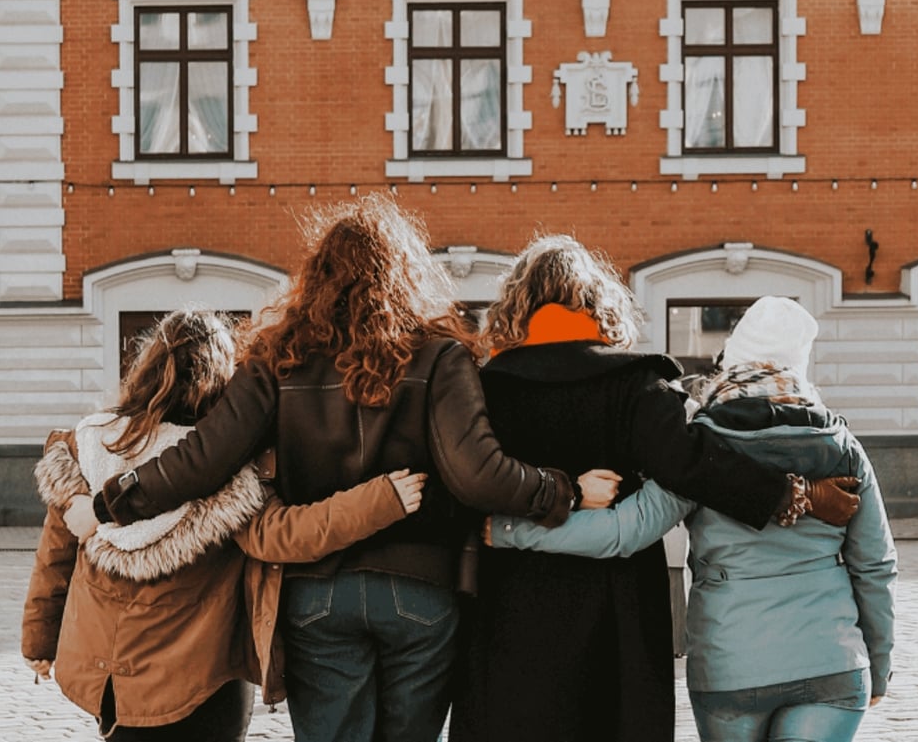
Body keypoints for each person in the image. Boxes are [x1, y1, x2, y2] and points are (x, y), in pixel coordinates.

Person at [66, 196, 592, 742]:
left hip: (316, 592)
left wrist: (111, 503)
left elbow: (203, 459)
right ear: (406, 272)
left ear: (316, 278)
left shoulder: (276, 359)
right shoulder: (440, 356)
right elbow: (477, 472)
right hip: (421, 589)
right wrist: (560, 490)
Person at [450, 237, 860, 742]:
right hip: (615, 615)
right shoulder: (636, 385)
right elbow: (693, 465)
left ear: (516, 304)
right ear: (598, 303)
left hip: (507, 607)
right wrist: (794, 494)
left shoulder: (483, 390)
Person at [22, 309, 426, 741]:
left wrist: (39, 641)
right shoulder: (225, 468)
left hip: (113, 681)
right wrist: (380, 500)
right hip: (204, 680)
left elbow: (55, 557)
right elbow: (283, 536)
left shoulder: (92, 444)